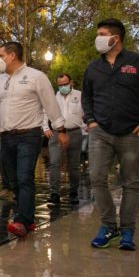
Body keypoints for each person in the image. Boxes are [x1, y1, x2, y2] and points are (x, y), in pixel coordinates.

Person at [0, 41, 69, 239]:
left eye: (0, 55)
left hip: (29, 135)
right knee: (13, 180)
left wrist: (61, 130)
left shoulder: (36, 77)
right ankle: (29, 218)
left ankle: (22, 221)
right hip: (7, 136)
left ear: (12, 56)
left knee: (25, 177)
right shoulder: (0, 81)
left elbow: (50, 104)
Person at [82, 18, 139, 251]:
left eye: (102, 33)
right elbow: (87, 97)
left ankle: (127, 230)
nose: (98, 38)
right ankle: (108, 226)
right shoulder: (92, 67)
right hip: (101, 132)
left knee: (130, 182)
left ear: (115, 38)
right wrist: (91, 120)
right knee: (97, 178)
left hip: (132, 133)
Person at [43, 73, 85, 206]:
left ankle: (74, 193)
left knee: (74, 165)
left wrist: (86, 126)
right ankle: (54, 194)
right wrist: (45, 128)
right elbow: (45, 111)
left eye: (65, 84)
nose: (63, 87)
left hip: (75, 133)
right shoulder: (53, 97)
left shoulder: (80, 95)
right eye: (60, 85)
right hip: (56, 133)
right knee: (54, 163)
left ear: (71, 83)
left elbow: (87, 111)